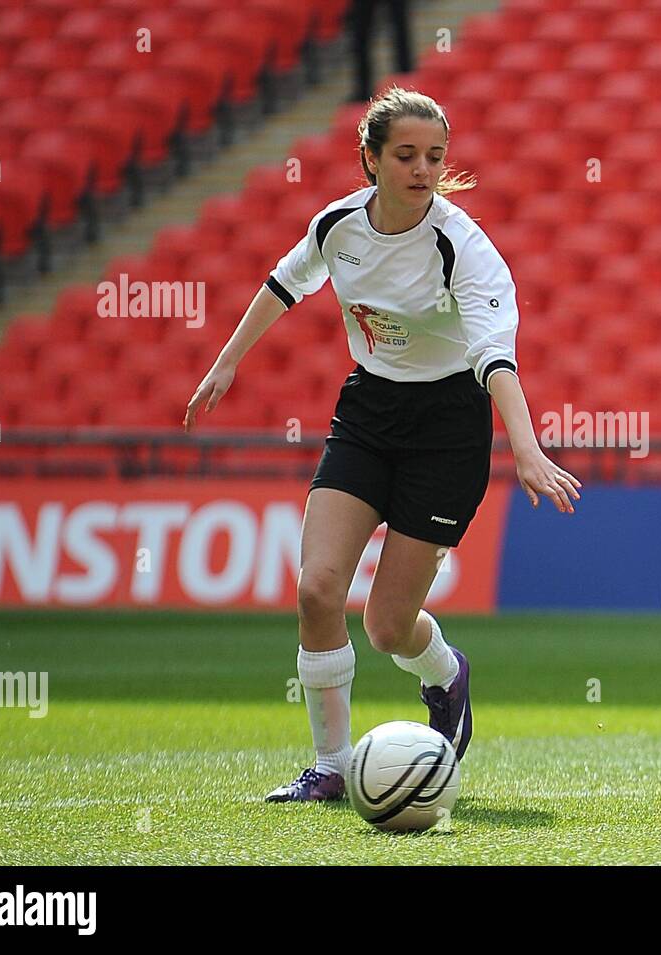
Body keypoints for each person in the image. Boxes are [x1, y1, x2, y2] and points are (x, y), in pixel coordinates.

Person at [183, 86, 580, 802]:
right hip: (368, 411)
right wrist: (228, 359)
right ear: (370, 158)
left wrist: (525, 446)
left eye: (434, 156)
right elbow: (285, 280)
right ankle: (330, 765)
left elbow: (496, 357)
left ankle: (446, 673)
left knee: (388, 626)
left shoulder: (463, 246)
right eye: (406, 155)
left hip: (449, 427)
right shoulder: (339, 225)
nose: (423, 169)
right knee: (317, 588)